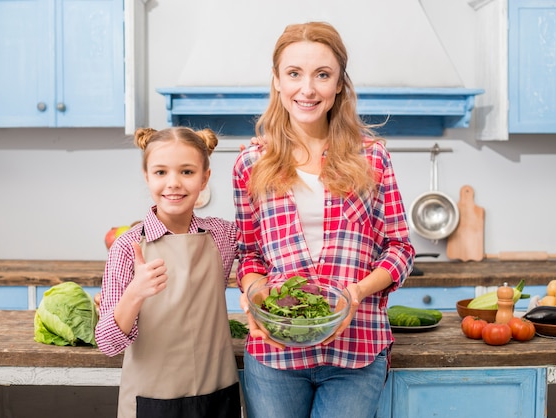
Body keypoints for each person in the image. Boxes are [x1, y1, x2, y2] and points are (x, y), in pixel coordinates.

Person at [232, 21, 415, 418]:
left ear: (338, 86)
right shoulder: (250, 163)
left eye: (322, 75)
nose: (308, 89)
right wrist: (254, 293)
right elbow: (249, 256)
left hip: (357, 349)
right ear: (278, 82)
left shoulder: (373, 159)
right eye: (294, 74)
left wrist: (354, 295)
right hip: (275, 351)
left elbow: (400, 250)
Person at [95, 127, 241, 418]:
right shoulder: (127, 246)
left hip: (215, 394)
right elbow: (108, 343)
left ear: (205, 179)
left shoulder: (223, 236)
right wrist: (135, 294)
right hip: (153, 401)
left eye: (186, 172)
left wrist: (265, 159)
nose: (173, 183)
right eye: (161, 172)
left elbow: (271, 235)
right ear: (147, 176)